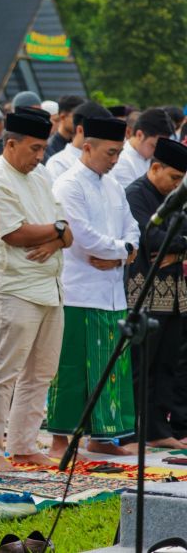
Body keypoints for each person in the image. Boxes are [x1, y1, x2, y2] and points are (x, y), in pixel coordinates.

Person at [0, 113, 74, 471]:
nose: (39, 156)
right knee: (3, 373)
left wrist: (55, 235)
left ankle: (22, 444)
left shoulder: (42, 175)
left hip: (50, 287)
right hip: (13, 288)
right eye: (34, 148)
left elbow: (68, 232)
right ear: (11, 144)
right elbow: (14, 234)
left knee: (41, 373)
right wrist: (57, 232)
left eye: (43, 148)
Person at [48, 116, 139, 458]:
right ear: (88, 147)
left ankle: (102, 437)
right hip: (79, 291)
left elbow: (133, 229)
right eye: (110, 153)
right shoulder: (68, 185)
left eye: (119, 153)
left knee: (109, 368)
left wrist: (120, 254)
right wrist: (123, 252)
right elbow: (84, 238)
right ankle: (60, 440)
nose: (115, 160)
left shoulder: (114, 185)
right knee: (71, 368)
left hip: (112, 293)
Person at [123, 137, 187, 450]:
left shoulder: (174, 198)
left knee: (167, 364)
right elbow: (150, 238)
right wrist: (177, 246)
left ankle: (159, 429)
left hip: (174, 294)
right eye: (174, 177)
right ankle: (134, 428)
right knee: (142, 364)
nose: (176, 185)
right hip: (145, 294)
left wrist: (177, 249)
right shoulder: (135, 194)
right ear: (156, 167)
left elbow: (175, 237)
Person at [45, 102, 113, 179]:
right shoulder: (59, 163)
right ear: (80, 130)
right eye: (100, 132)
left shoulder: (105, 161)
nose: (105, 138)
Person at [110, 109, 176, 188]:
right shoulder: (122, 161)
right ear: (140, 135)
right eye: (154, 146)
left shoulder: (146, 157)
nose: (157, 152)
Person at [45, 95, 87, 162]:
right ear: (63, 117)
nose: (81, 122)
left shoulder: (81, 144)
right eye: (77, 118)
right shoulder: (50, 147)